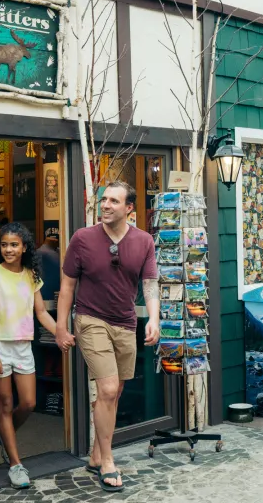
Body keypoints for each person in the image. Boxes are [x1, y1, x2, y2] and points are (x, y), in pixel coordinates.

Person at [56, 181, 160, 493]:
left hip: (126, 323)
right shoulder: (83, 239)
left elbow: (150, 283)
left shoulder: (143, 241)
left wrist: (153, 318)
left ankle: (95, 455)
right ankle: (108, 460)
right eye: (104, 200)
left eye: (114, 201)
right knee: (108, 387)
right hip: (90, 319)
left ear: (129, 208)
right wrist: (62, 327)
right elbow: (67, 287)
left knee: (114, 393)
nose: (105, 205)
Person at [0, 222, 70, 489]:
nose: (9, 249)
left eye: (14, 245)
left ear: (24, 247)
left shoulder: (31, 275)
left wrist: (60, 333)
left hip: (22, 347)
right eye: (5, 244)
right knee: (5, 404)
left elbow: (41, 313)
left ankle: (4, 435)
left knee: (29, 402)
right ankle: (15, 464)